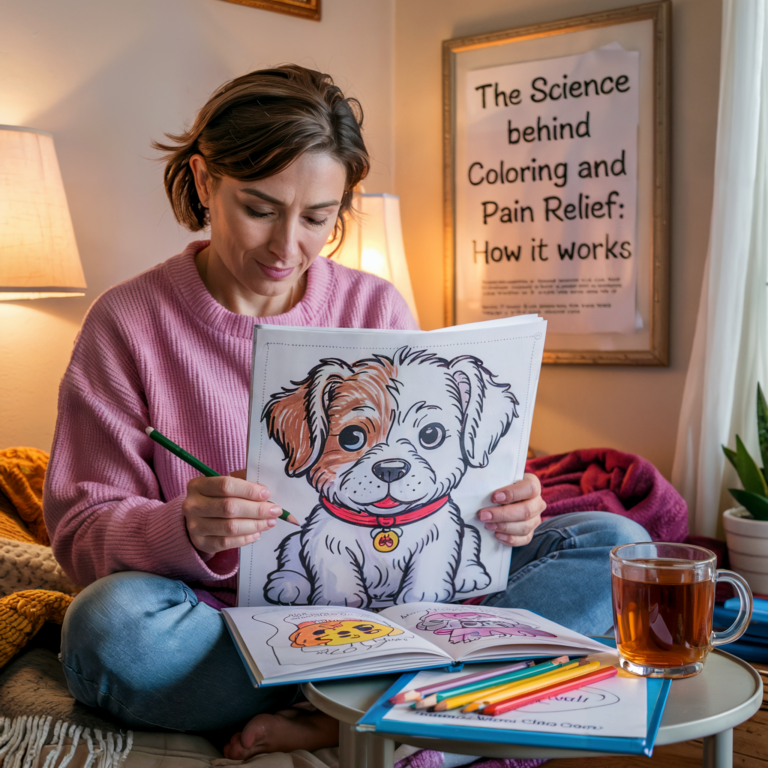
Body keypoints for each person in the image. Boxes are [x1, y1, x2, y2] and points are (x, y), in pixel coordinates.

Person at [43, 65, 649, 761]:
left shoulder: (376, 308)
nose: (286, 247)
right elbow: (79, 530)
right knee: (108, 629)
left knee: (618, 544)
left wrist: (504, 510)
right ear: (205, 182)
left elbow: (439, 481)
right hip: (232, 632)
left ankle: (361, 719)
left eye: (317, 218)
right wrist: (182, 526)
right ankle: (418, 718)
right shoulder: (127, 322)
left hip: (393, 618)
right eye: (260, 208)